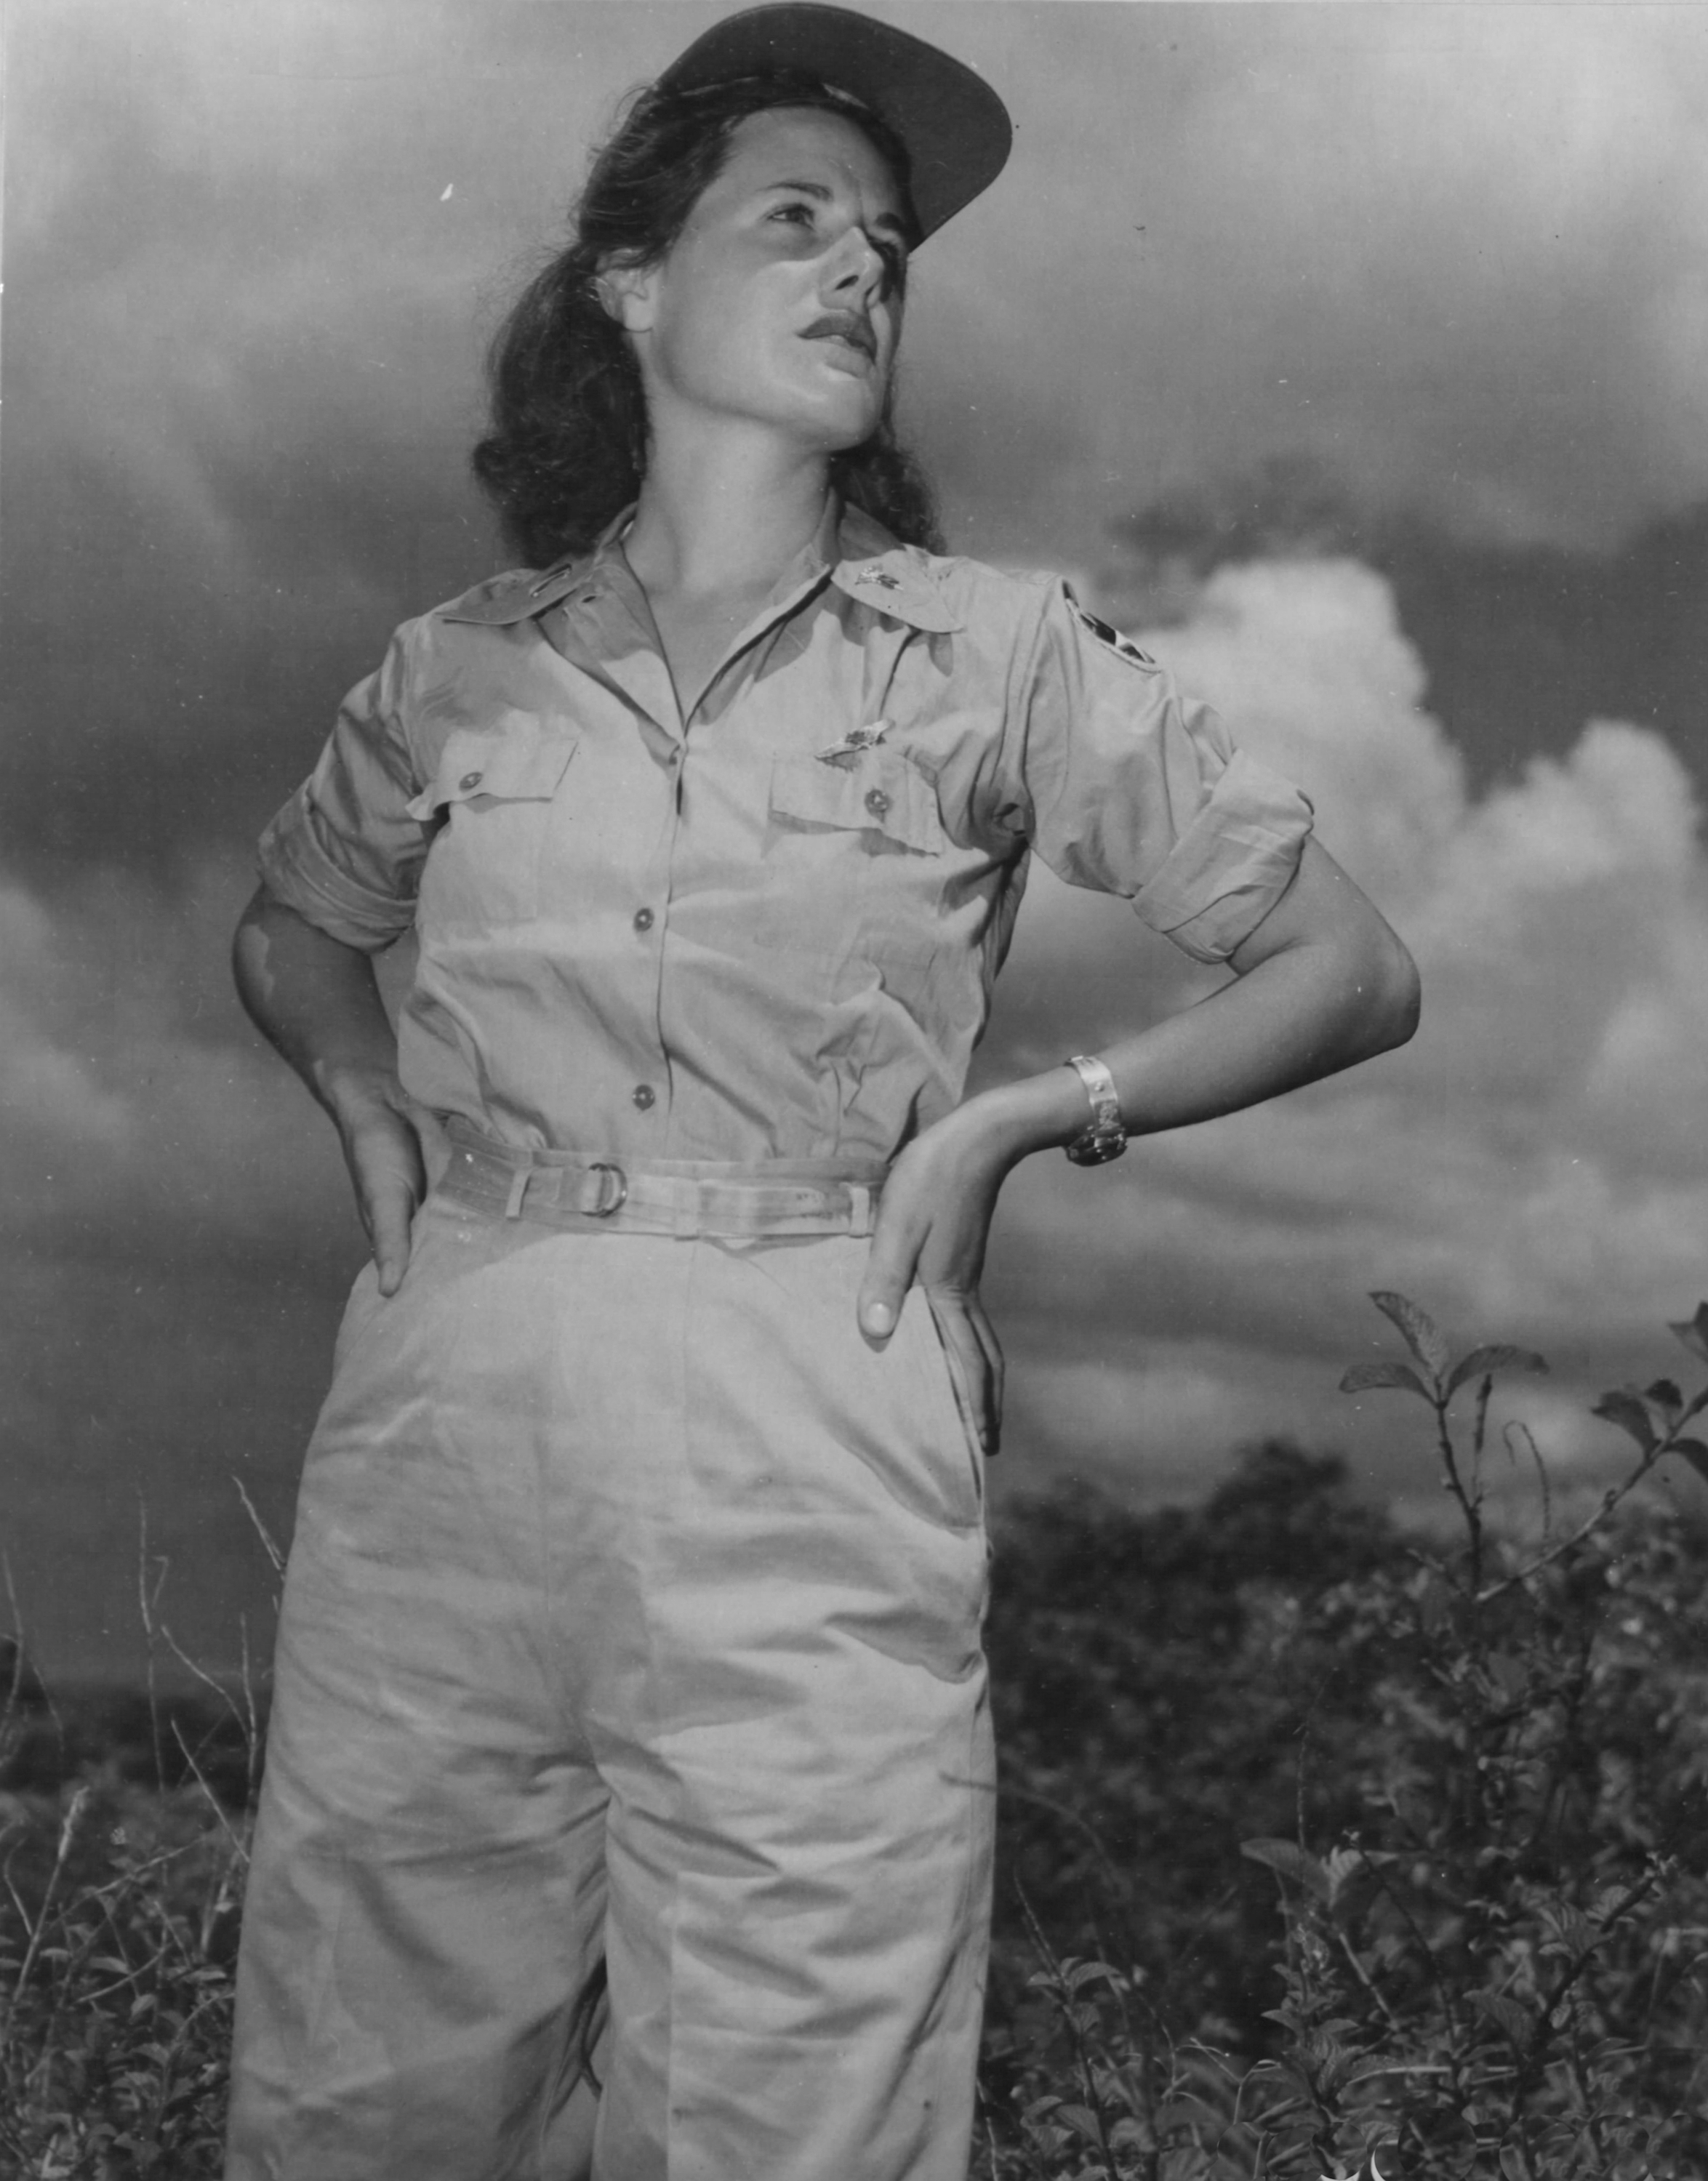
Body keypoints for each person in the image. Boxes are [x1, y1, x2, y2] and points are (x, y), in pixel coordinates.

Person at [225, 6, 1420, 2177]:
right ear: (631, 280)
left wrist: (1025, 1113)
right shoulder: (458, 666)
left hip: (814, 1379)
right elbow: (295, 923)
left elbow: (1348, 966)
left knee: (795, 2116)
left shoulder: (993, 650)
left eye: (886, 244)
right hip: (452, 1393)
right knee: (365, 2101)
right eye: (796, 222)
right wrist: (354, 1085)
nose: (865, 268)